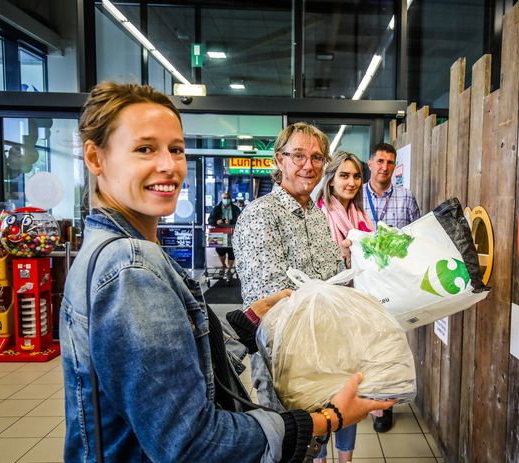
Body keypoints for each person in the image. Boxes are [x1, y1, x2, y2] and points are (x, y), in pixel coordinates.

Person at [60, 82, 393, 462]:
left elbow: (188, 361)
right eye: (144, 149)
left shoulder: (129, 250)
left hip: (322, 352)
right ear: (95, 157)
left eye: (176, 149)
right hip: (289, 364)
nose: (168, 165)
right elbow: (192, 443)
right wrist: (324, 420)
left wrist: (242, 323)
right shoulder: (131, 269)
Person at [233, 122, 344, 411]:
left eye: (317, 157)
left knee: (316, 443)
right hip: (283, 363)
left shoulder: (316, 216)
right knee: (287, 446)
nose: (308, 165)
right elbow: (270, 303)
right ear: (279, 159)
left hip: (323, 355)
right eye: (298, 155)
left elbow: (335, 275)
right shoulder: (261, 215)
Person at [313, 151, 373, 463]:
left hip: (356, 317)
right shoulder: (319, 215)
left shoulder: (362, 216)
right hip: (326, 317)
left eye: (356, 176)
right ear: (331, 179)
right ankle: (321, 457)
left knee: (352, 390)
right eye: (344, 176)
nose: (351, 182)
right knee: (324, 393)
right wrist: (341, 253)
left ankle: (346, 460)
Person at [362, 142, 421, 433]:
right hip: (362, 282)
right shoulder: (356, 195)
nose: (385, 167)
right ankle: (366, 400)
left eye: (390, 162)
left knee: (391, 344)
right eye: (380, 161)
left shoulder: (406, 197)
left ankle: (383, 407)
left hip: (395, 283)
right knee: (366, 343)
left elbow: (417, 236)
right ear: (370, 163)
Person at [207, 191, 241, 277]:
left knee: (232, 251)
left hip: (232, 232)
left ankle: (229, 269)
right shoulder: (216, 209)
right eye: (224, 198)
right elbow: (210, 220)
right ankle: (223, 265)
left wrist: (231, 221)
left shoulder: (235, 209)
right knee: (220, 250)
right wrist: (216, 222)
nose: (226, 200)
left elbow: (240, 220)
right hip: (219, 233)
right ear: (221, 199)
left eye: (227, 198)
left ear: (230, 199)